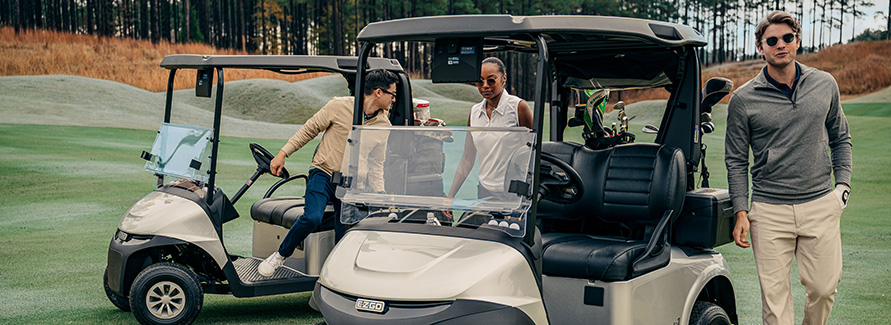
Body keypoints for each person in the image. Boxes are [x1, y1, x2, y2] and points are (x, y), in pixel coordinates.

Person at [725, 11, 853, 325]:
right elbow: (736, 160)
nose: (780, 45)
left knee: (824, 289)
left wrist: (842, 188)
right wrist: (741, 211)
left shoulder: (825, 84)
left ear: (797, 41)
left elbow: (841, 137)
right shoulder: (743, 100)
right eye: (772, 40)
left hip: (820, 204)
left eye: (787, 38)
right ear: (760, 48)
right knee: (775, 304)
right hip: (768, 211)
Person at [258, 69, 399, 277]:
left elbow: (376, 164)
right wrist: (283, 153)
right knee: (312, 218)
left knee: (345, 236)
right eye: (392, 94)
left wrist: (380, 194)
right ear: (379, 92)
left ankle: (336, 278)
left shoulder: (383, 125)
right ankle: (280, 255)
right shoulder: (339, 106)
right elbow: (309, 129)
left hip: (351, 186)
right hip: (323, 174)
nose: (394, 100)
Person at [447, 57, 533, 200]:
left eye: (491, 80)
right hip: (485, 190)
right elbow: (468, 158)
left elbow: (530, 157)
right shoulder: (474, 112)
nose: (485, 85)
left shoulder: (519, 107)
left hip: (514, 192)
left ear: (503, 78)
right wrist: (450, 196)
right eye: (480, 81)